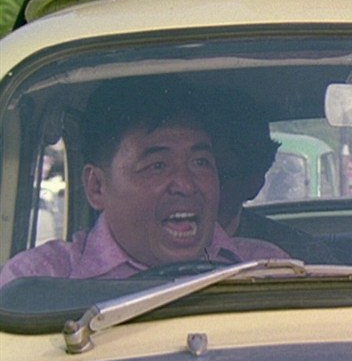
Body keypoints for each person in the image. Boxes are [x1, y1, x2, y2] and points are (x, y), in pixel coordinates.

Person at [0, 77, 288, 287]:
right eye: (157, 166)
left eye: (200, 162)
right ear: (97, 186)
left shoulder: (267, 270)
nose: (186, 185)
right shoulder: (37, 282)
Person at [204, 89, 338, 264]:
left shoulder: (296, 256)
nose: (186, 185)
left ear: (253, 184)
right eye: (168, 165)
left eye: (212, 173)